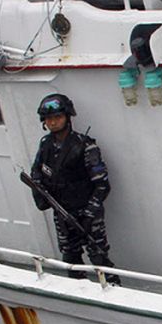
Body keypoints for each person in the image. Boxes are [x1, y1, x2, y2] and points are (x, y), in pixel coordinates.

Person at [28, 93, 114, 278]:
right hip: (62, 212)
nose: (53, 122)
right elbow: (36, 174)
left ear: (67, 117)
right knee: (70, 259)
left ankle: (113, 290)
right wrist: (41, 197)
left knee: (99, 259)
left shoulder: (85, 146)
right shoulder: (45, 145)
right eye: (49, 118)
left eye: (57, 117)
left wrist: (89, 215)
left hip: (86, 212)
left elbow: (102, 185)